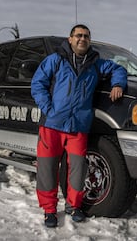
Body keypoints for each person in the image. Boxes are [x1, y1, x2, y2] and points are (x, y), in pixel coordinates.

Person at [31, 24, 127, 228]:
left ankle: (74, 206)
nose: (82, 39)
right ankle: (49, 210)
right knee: (47, 169)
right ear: (70, 39)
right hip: (52, 125)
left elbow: (118, 68)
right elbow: (37, 83)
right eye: (78, 35)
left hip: (78, 126)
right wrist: (49, 108)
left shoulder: (96, 64)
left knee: (78, 169)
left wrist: (118, 84)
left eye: (86, 36)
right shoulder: (55, 60)